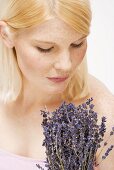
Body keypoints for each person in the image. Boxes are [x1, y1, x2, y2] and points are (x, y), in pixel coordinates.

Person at [0, 0, 114, 169]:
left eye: (77, 44)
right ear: (5, 35)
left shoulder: (102, 113)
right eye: (45, 48)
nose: (66, 65)